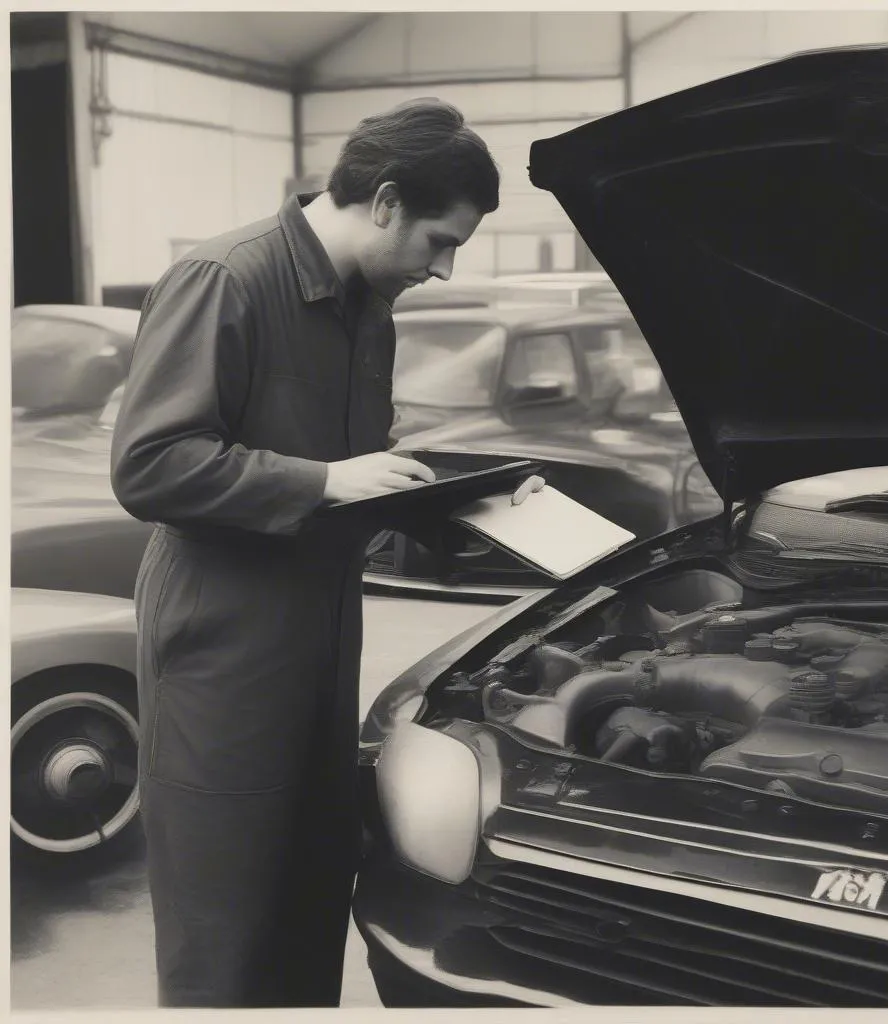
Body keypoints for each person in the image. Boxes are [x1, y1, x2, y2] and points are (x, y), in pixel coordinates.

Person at [110, 98, 538, 1008]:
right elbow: (150, 465)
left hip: (321, 632)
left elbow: (360, 478)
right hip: (224, 641)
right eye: (439, 239)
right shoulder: (225, 279)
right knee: (224, 910)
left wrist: (466, 505)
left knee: (311, 889)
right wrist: (318, 482)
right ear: (384, 202)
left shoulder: (368, 309)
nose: (444, 266)